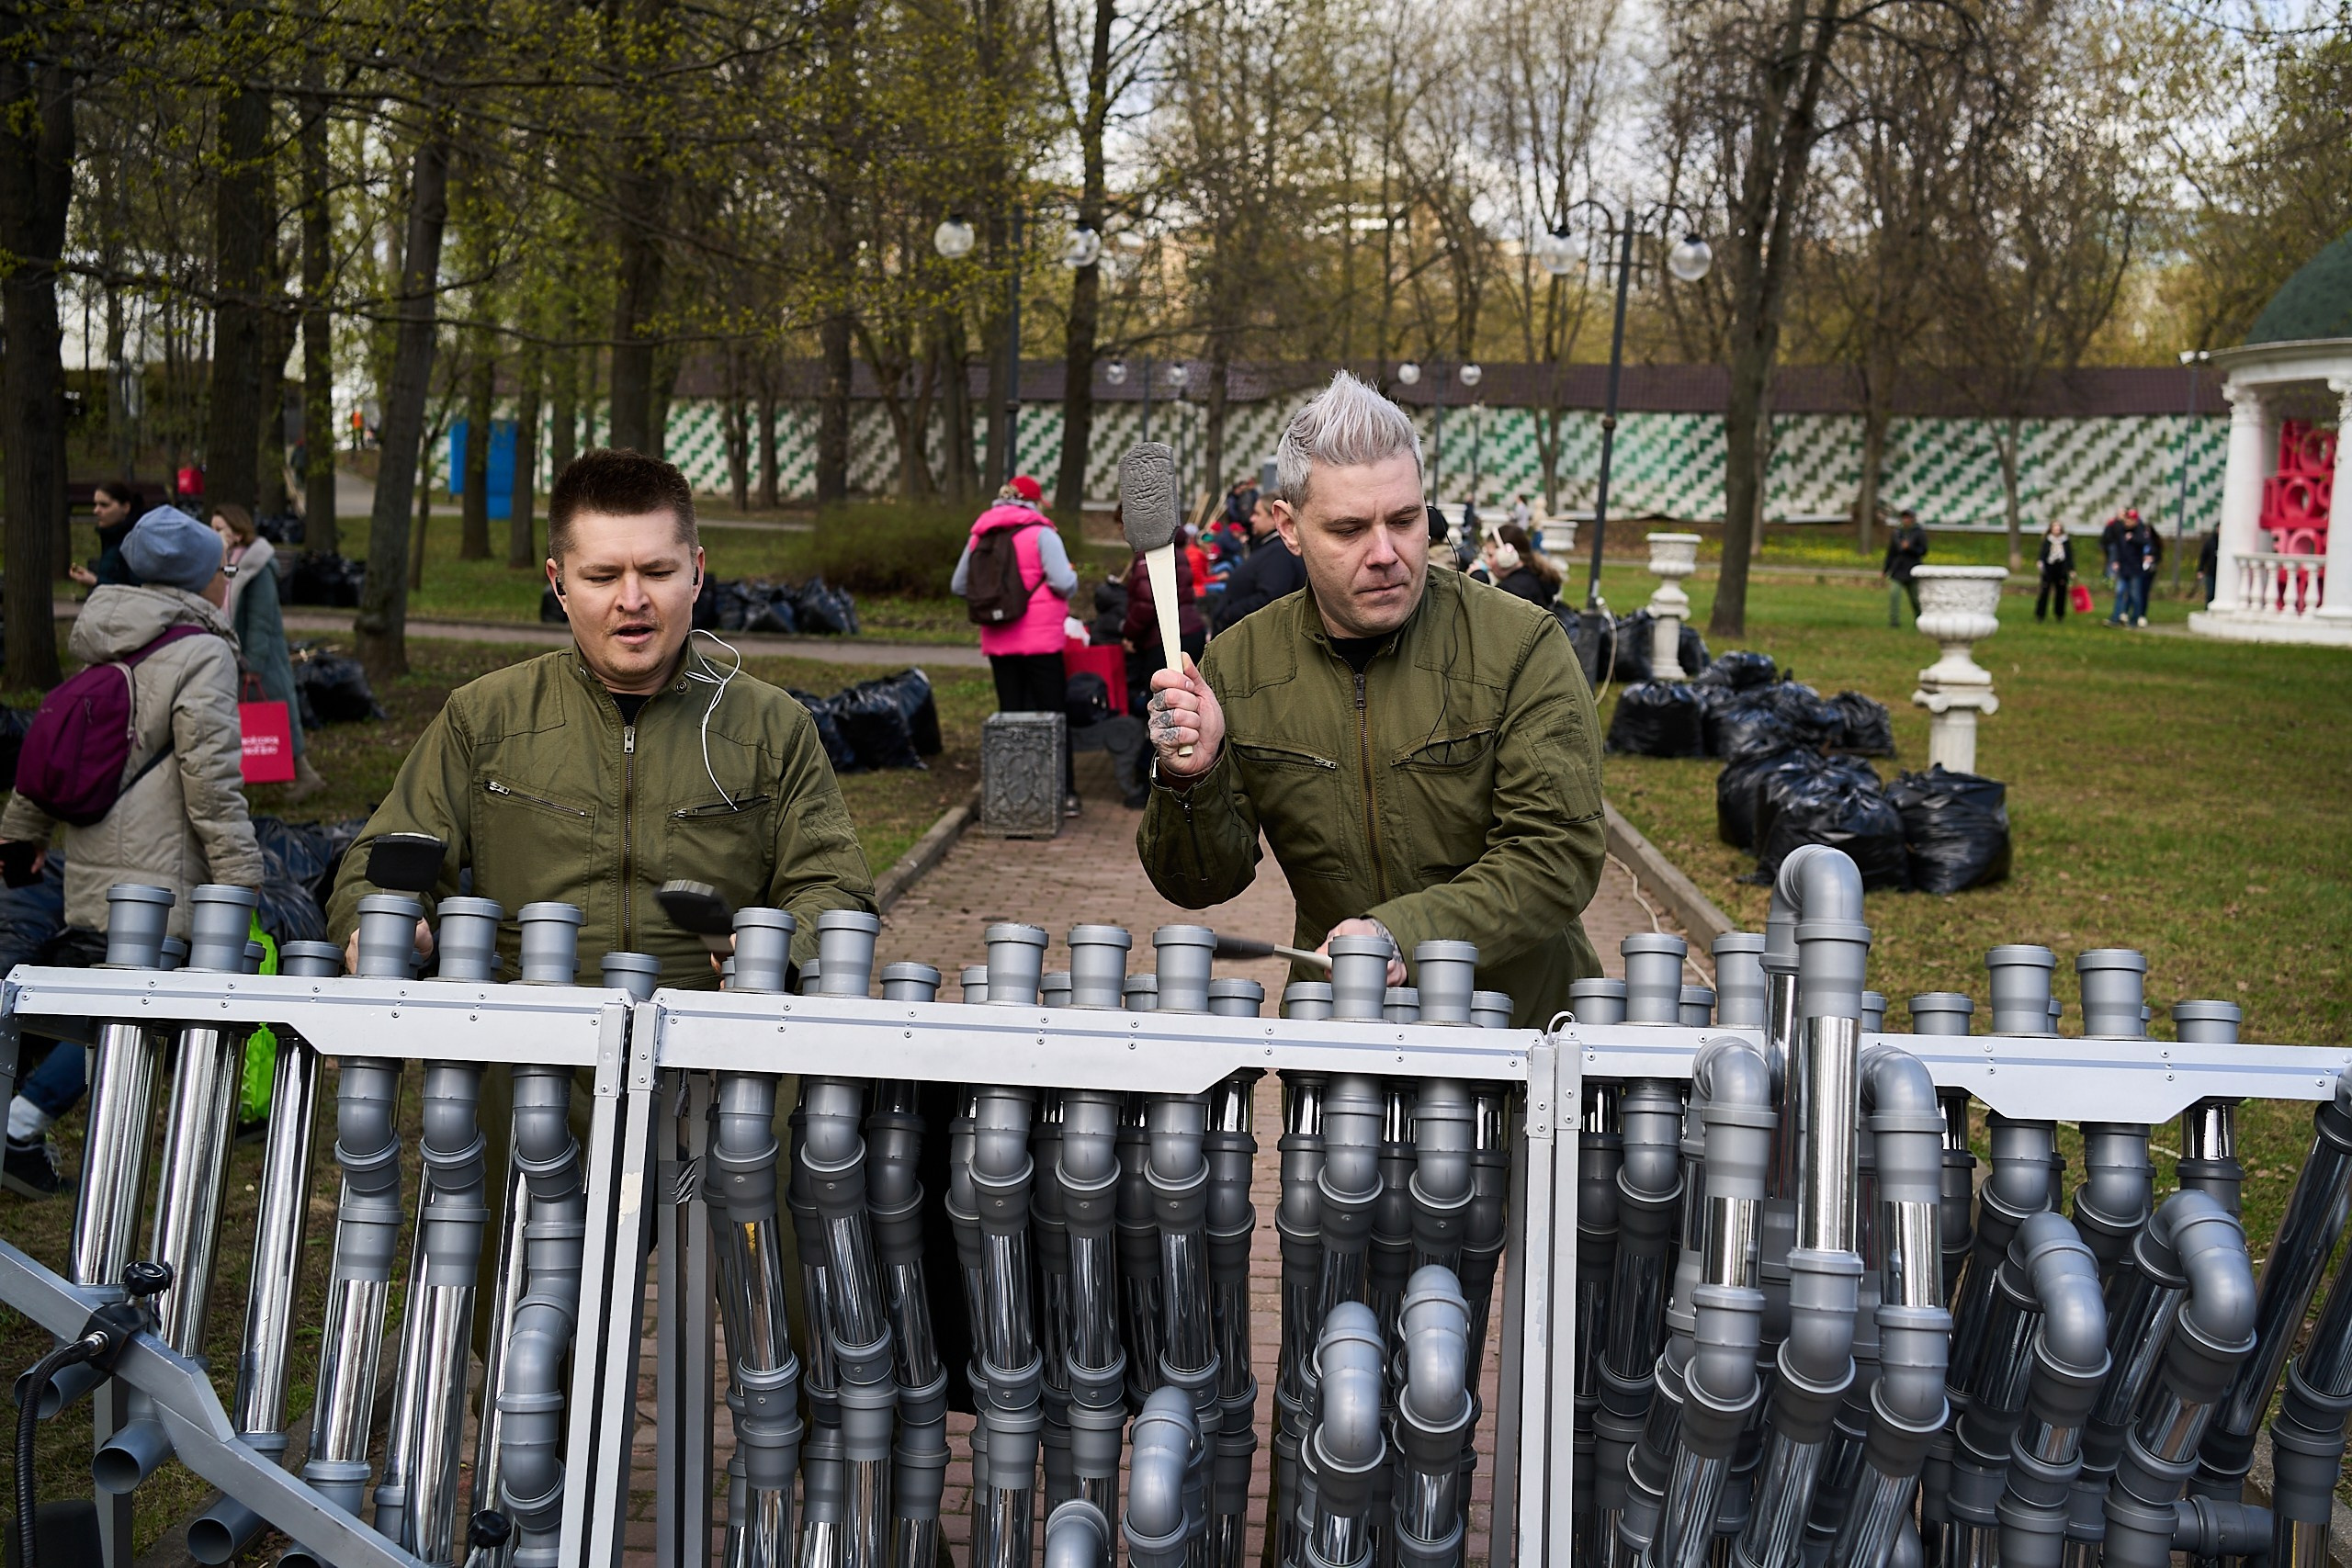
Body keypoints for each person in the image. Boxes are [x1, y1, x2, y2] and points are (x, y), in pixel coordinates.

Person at [1136, 369, 1607, 1031]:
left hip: (1518, 1038)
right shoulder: (1239, 665)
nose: (1386, 553)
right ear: (1289, 527)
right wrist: (1192, 777)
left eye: (1405, 520)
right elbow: (1199, 883)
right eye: (1349, 528)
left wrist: (1399, 935)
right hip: (1341, 1042)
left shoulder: (1521, 645)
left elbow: (1556, 853)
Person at [1, 505, 266, 1196]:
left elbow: (54, 743)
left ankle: (56, 1137)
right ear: (199, 577)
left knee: (123, 1007)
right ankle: (21, 1124)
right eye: (223, 568)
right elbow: (210, 779)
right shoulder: (200, 652)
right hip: (160, 867)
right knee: (131, 1012)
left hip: (96, 852)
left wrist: (21, 832)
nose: (227, 578)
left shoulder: (109, 634)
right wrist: (241, 875)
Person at [951, 473, 1082, 815]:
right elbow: (1063, 582)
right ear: (1034, 502)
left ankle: (1015, 794)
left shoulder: (980, 534)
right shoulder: (1042, 533)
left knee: (1011, 716)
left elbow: (959, 585)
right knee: (1053, 714)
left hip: (999, 640)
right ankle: (1063, 793)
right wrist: (1071, 576)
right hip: (1041, 643)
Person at [210, 502, 326, 800]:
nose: (213, 535)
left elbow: (261, 620)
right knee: (251, 717)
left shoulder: (256, 567)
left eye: (218, 529)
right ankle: (271, 775)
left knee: (275, 716)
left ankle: (304, 776)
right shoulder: (230, 562)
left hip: (260, 659)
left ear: (236, 533)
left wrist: (254, 665)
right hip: (240, 657)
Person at [1123, 524, 1207, 711]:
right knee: (1190, 698)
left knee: (1164, 704)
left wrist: (1130, 634)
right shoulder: (1179, 553)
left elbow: (1147, 603)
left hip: (1163, 638)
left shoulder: (1152, 556)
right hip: (1191, 629)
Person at [1209, 492, 1306, 632]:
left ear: (1276, 518)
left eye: (1257, 514)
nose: (1251, 519)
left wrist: (1229, 613)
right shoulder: (1269, 546)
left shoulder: (1279, 552)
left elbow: (1270, 599)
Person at [70, 479, 147, 589]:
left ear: (125, 507)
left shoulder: (136, 540)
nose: (96, 510)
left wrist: (95, 581)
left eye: (104, 505)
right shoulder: (112, 536)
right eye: (95, 504)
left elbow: (136, 589)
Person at [1491, 521, 1562, 608]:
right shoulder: (1534, 576)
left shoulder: (1511, 590)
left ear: (1507, 557)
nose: (1486, 561)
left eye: (1490, 555)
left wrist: (1478, 581)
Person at [1883, 509, 1928, 626]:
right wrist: (1886, 569)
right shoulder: (1897, 533)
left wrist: (1910, 548)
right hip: (1898, 569)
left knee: (1915, 599)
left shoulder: (1919, 533)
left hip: (1913, 569)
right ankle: (1894, 621)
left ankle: (1920, 619)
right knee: (1894, 595)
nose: (1906, 520)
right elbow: (1891, 552)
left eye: (1908, 518)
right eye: (1904, 518)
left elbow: (1923, 551)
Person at [2032, 519, 2075, 622]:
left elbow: (2069, 556)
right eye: (2055, 527)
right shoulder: (2048, 540)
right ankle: (2040, 615)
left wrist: (2071, 569)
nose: (2057, 529)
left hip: (2061, 568)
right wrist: (2040, 561)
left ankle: (2059, 614)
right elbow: (2043, 553)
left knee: (2061, 592)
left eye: (2058, 527)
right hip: (2049, 567)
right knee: (2044, 591)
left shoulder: (2065, 541)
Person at [2198, 529, 2221, 607]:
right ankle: (2208, 609)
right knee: (2210, 593)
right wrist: (2200, 569)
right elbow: (2203, 557)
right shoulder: (2210, 543)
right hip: (2211, 572)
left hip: (2222, 575)